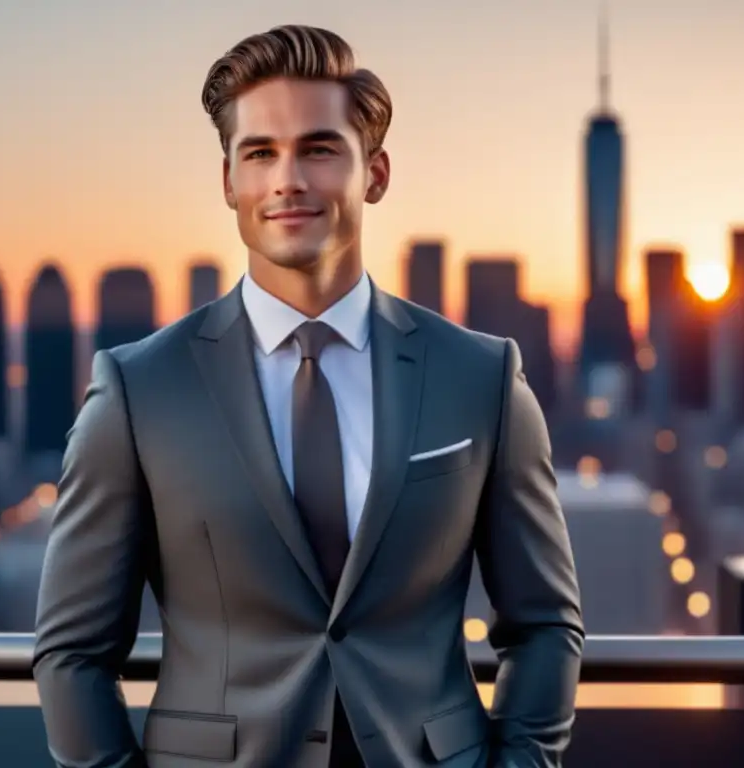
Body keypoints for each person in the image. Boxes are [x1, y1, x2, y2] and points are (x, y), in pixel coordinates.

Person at [33, 23, 584, 768]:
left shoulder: (480, 376)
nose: (287, 179)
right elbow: (72, 653)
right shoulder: (139, 390)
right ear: (229, 181)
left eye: (319, 149)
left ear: (376, 174)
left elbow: (544, 623)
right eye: (259, 153)